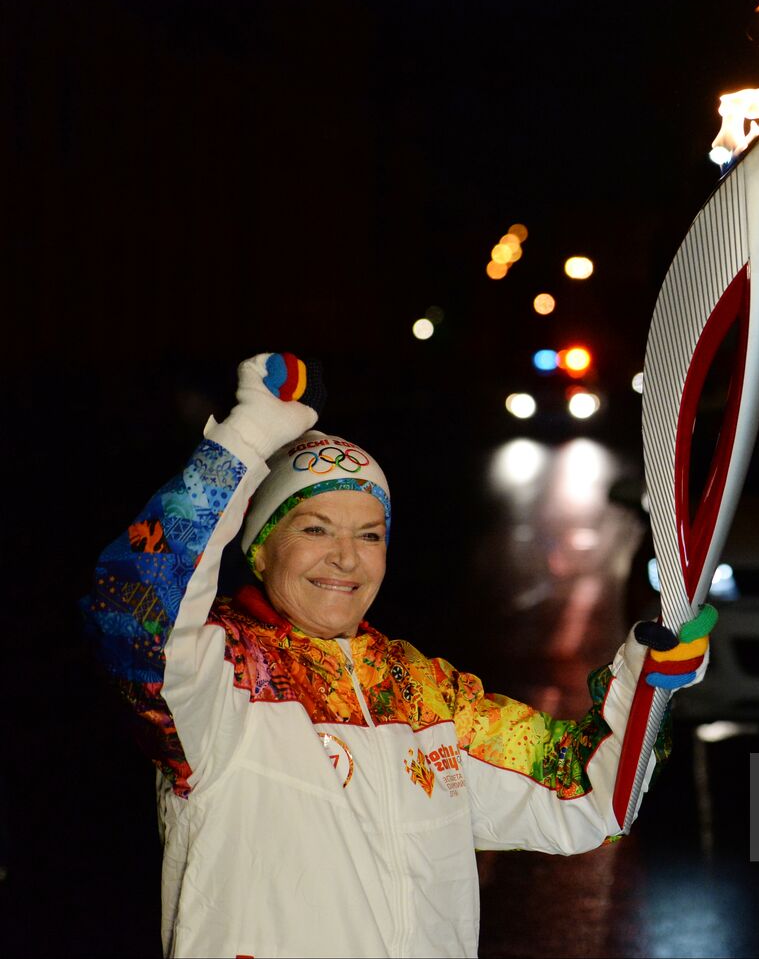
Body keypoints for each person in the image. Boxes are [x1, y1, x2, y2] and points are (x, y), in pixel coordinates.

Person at [81, 353, 712, 958]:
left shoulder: (422, 694)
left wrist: (645, 683)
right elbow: (132, 605)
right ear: (261, 548)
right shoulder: (218, 679)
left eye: (369, 534)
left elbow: (585, 797)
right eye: (314, 528)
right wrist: (245, 441)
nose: (346, 557)